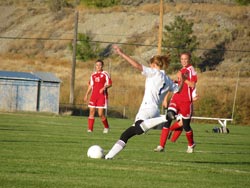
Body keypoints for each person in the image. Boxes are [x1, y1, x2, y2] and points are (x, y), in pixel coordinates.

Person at [104, 45, 185, 160]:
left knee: (138, 128)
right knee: (126, 134)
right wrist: (183, 80)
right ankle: (108, 157)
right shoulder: (167, 79)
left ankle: (165, 118)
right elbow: (178, 90)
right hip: (154, 111)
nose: (149, 66)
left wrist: (122, 54)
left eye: (151, 65)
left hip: (148, 109)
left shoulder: (154, 73)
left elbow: (136, 65)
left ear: (154, 65)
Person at [154, 52, 198, 153]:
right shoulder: (181, 70)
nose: (183, 61)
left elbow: (192, 85)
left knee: (186, 126)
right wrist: (166, 98)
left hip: (186, 101)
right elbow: (174, 85)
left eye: (185, 59)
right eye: (182, 59)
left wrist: (183, 78)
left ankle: (191, 144)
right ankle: (161, 146)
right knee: (168, 118)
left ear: (189, 59)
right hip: (176, 99)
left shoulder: (191, 71)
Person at [84, 59, 112, 133]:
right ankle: (90, 129)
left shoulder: (105, 74)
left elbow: (109, 84)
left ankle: (106, 127)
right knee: (91, 112)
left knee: (100, 114)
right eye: (97, 65)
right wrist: (86, 94)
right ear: (95, 66)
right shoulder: (93, 75)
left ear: (102, 66)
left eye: (100, 65)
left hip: (102, 96)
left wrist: (103, 88)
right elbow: (90, 85)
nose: (98, 66)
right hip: (93, 96)